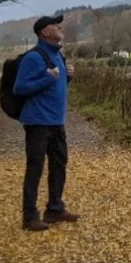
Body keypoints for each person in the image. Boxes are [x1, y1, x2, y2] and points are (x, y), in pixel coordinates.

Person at [14, 14, 79, 231]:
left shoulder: (58, 55)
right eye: (55, 24)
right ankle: (30, 216)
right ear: (44, 32)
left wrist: (66, 77)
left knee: (59, 165)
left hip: (56, 122)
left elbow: (54, 86)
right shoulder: (33, 58)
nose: (59, 27)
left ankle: (54, 209)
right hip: (37, 123)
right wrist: (47, 78)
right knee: (35, 168)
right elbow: (19, 88)